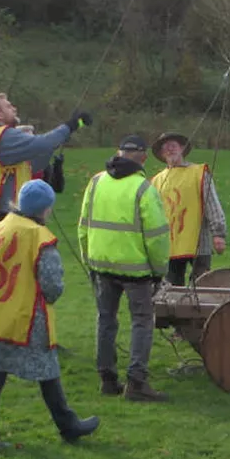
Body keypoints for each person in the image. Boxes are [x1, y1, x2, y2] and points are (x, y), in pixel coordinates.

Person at [0, 179, 99, 449]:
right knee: (47, 372)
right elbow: (52, 286)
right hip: (26, 315)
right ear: (45, 209)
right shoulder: (41, 238)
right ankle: (68, 426)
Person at [78, 134, 172, 402]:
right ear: (143, 157)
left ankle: (107, 379)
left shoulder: (96, 182)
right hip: (136, 271)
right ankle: (136, 382)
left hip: (101, 266)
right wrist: (158, 271)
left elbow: (83, 225)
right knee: (142, 322)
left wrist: (88, 259)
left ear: (118, 153)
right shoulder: (144, 189)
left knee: (106, 320)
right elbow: (156, 236)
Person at [0, 93, 92, 238]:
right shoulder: (2, 136)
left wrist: (71, 128)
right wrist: (70, 125)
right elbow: (43, 144)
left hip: (0, 213)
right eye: (8, 106)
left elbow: (38, 159)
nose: (14, 109)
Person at [150, 132, 227, 287]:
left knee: (202, 284)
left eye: (173, 146)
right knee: (172, 287)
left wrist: (218, 234)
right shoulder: (157, 181)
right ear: (161, 154)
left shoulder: (199, 173)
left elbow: (212, 203)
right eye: (165, 148)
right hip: (170, 244)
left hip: (199, 242)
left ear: (182, 149)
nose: (170, 150)